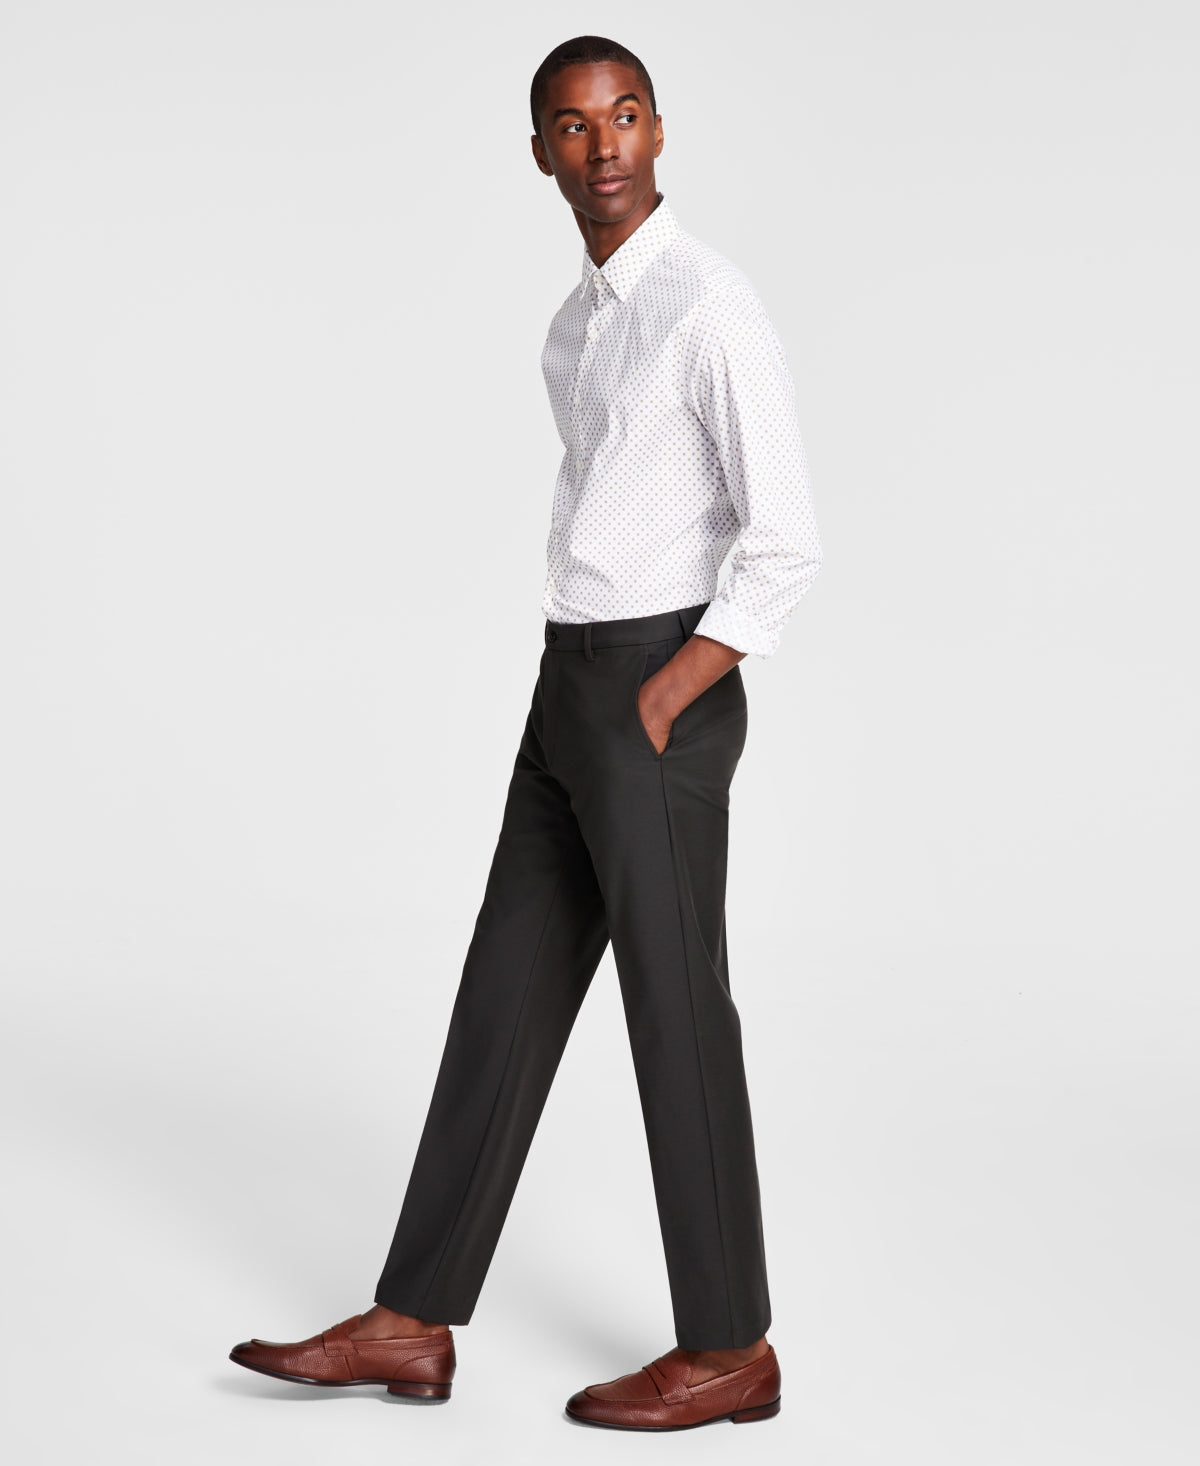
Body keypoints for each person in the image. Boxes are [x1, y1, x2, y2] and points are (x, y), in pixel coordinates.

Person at [229, 33, 822, 1431]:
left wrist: (669, 692)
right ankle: (411, 1320)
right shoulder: (577, 326)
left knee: (677, 1011)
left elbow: (786, 535)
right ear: (542, 152)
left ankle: (732, 1345)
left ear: (659, 132)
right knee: (503, 991)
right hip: (571, 683)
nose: (602, 144)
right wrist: (589, 690)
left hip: (657, 687)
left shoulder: (709, 303)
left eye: (625, 116)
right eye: (572, 123)